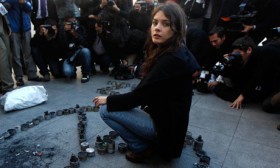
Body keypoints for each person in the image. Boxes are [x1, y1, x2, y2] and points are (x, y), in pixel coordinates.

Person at [93, 2, 200, 163]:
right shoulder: (178, 49)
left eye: (165, 24)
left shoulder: (169, 60)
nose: (157, 28)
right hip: (170, 124)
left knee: (105, 110)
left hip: (164, 129)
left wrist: (107, 99)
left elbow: (137, 97)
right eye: (155, 22)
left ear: (176, 28)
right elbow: (194, 67)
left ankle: (140, 147)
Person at [208, 36, 280, 109]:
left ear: (249, 50)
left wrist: (241, 97)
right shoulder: (249, 56)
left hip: (274, 80)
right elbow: (239, 78)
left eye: (238, 53)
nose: (237, 56)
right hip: (272, 78)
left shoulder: (266, 53)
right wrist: (229, 61)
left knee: (268, 105)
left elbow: (256, 77)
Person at [6, 0, 43, 86]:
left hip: (26, 28)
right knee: (16, 55)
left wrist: (24, 2)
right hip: (14, 29)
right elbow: (3, 8)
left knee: (28, 52)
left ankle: (32, 74)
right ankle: (19, 77)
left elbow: (30, 8)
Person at [59, 16, 91, 83]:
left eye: (73, 19)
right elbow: (62, 46)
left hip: (79, 54)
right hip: (69, 57)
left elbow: (85, 43)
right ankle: (73, 71)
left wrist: (75, 34)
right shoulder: (62, 31)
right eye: (69, 21)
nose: (72, 22)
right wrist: (65, 32)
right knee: (67, 72)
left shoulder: (81, 28)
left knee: (86, 51)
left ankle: (86, 74)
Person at [0, 11, 14, 94]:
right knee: (3, 52)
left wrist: (8, 24)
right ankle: (7, 86)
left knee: (8, 53)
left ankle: (3, 83)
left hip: (2, 22)